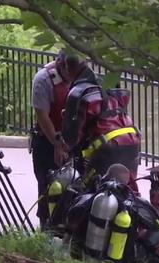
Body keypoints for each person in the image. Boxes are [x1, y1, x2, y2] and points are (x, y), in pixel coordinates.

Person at [31, 50, 97, 229]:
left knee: (78, 185)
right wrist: (57, 144)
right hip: (47, 140)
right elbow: (43, 117)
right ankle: (46, 226)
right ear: (62, 66)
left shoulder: (84, 77)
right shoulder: (43, 80)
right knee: (48, 185)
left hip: (74, 140)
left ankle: (72, 227)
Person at [61, 73, 141, 195]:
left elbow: (75, 137)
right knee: (128, 186)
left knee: (85, 189)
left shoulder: (89, 100)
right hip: (132, 141)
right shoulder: (118, 98)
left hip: (107, 147)